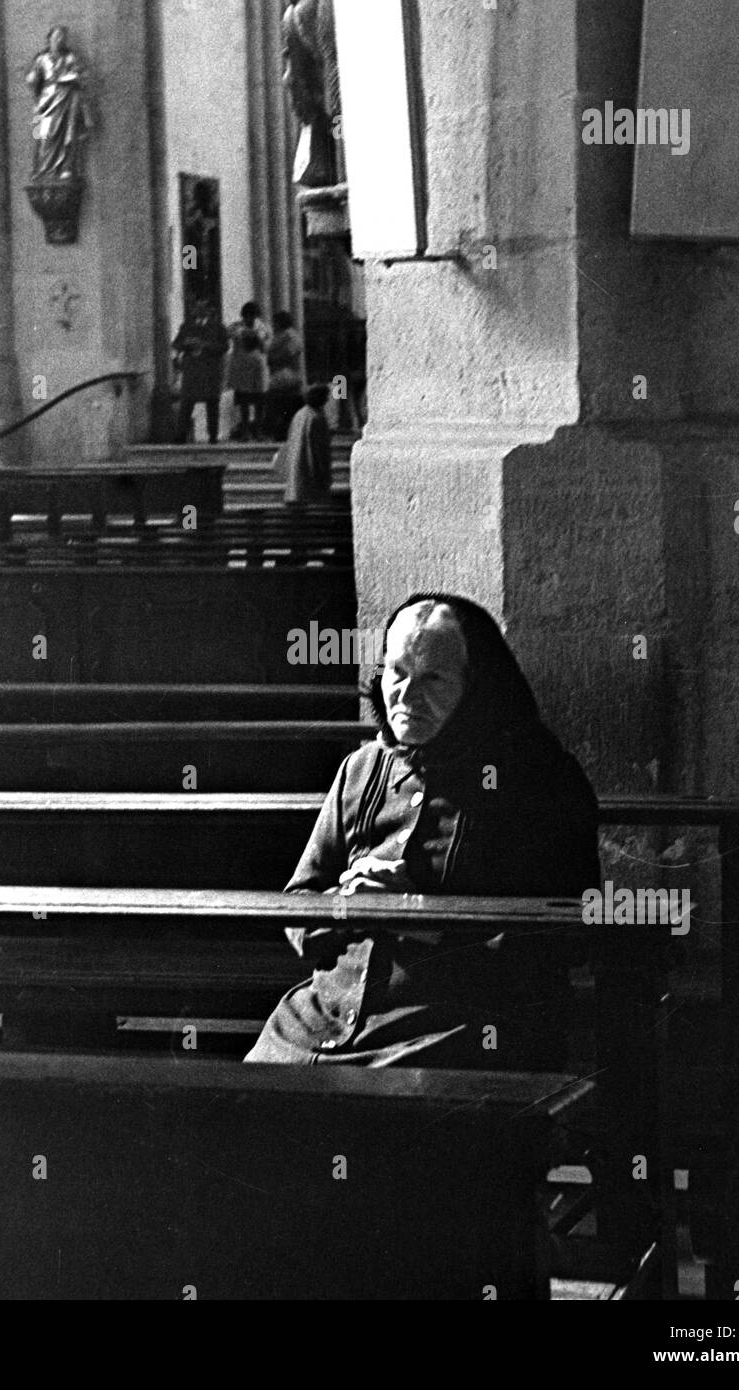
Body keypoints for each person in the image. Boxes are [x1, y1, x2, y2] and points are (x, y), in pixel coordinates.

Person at [244, 594, 600, 1069]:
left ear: (477, 688)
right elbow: (299, 910)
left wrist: (429, 924)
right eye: (397, 673)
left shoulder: (540, 779)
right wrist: (348, 906)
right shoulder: (361, 768)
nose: (407, 697)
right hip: (321, 1018)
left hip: (450, 1024)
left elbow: (568, 935)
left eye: (433, 678)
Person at [25, 26, 92, 182]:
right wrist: (32, 78)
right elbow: (33, 78)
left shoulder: (69, 57)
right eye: (56, 38)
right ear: (49, 40)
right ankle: (40, 169)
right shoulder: (41, 59)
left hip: (64, 99)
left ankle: (65, 167)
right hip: (45, 101)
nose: (59, 41)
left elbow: (80, 74)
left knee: (65, 133)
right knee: (41, 135)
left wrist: (72, 77)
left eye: (62, 38)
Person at [172, 307, 229, 444]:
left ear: (209, 310)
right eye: (197, 306)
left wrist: (206, 345)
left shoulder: (218, 327)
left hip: (210, 370)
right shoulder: (186, 326)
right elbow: (176, 343)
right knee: (186, 403)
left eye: (204, 306)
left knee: (212, 404)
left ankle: (213, 435)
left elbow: (224, 347)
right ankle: (181, 435)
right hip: (192, 370)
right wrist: (186, 344)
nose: (200, 310)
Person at [279, 383, 332, 505]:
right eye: (326, 396)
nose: (327, 399)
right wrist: (324, 473)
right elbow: (319, 450)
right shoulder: (316, 417)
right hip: (310, 470)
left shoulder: (300, 414)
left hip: (296, 465)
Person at [226, 302, 270, 440]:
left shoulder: (263, 327)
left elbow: (266, 345)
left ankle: (258, 430)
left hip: (258, 366)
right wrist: (246, 332)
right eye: (248, 316)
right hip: (242, 368)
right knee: (244, 401)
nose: (251, 319)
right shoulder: (236, 327)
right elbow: (230, 334)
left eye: (254, 316)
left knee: (260, 401)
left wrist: (258, 336)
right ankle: (245, 431)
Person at [264, 311, 306, 441]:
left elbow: (291, 352)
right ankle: (280, 431)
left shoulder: (290, 336)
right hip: (279, 374)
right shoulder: (280, 335)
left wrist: (274, 357)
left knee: (285, 406)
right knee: (280, 406)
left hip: (288, 375)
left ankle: (285, 432)